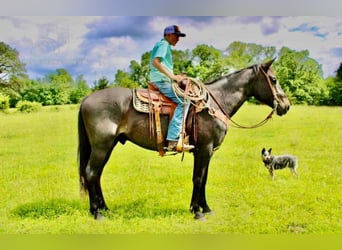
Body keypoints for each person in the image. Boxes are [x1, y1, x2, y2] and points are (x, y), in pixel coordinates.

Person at [149, 25, 194, 152]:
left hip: (162, 80)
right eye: (176, 36)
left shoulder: (162, 45)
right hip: (161, 81)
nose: (178, 39)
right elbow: (156, 62)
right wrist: (173, 77)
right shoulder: (164, 45)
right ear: (168, 35)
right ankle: (173, 139)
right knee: (184, 100)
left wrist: (176, 77)